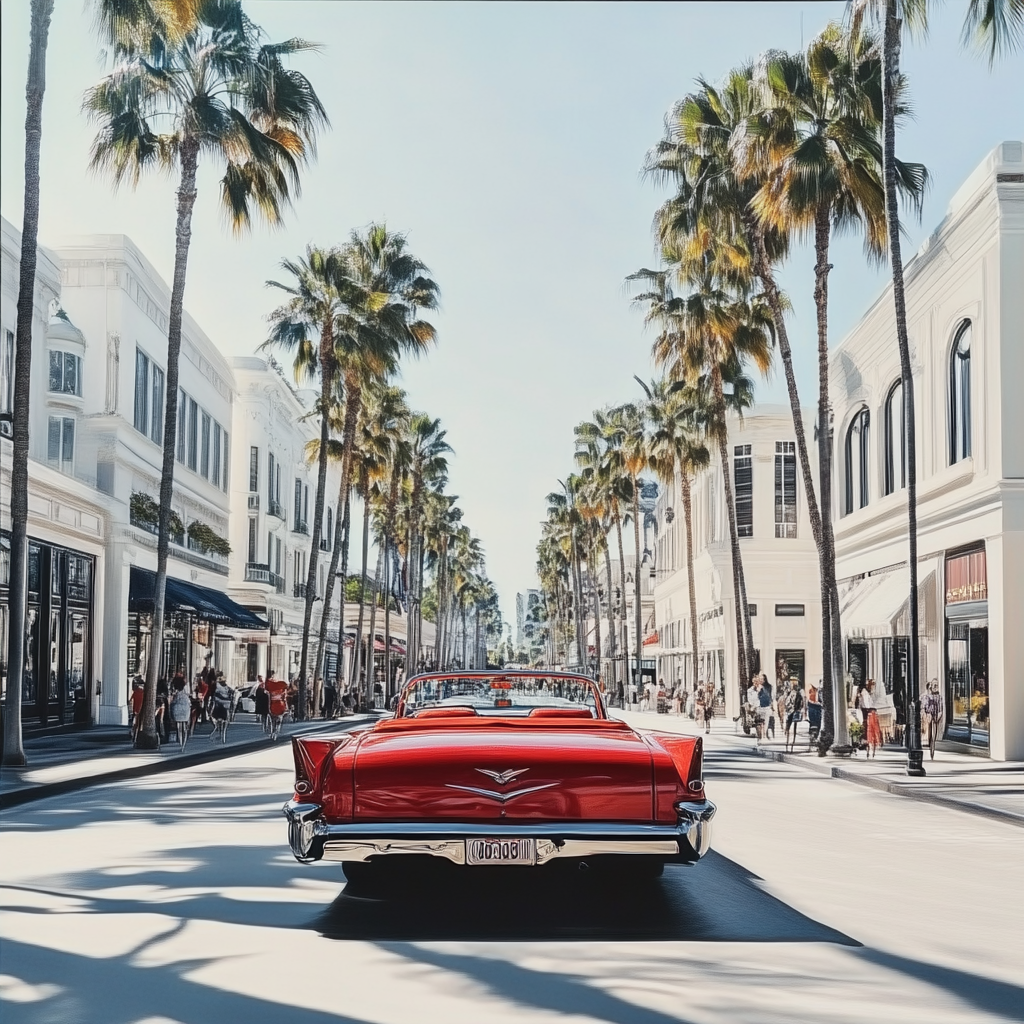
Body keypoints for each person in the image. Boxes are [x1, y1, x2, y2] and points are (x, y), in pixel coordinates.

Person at [856, 678, 882, 757]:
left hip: (868, 712)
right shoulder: (865, 693)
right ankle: (868, 745)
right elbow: (867, 704)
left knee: (870, 729)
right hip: (868, 712)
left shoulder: (867, 693)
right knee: (869, 729)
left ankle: (869, 746)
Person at [921, 680, 944, 760]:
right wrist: (925, 715)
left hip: (935, 716)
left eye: (936, 685)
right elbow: (923, 707)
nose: (935, 687)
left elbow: (941, 708)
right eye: (934, 685)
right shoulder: (926, 696)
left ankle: (932, 748)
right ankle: (930, 747)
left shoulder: (939, 697)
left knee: (934, 734)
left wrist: (938, 716)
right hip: (928, 716)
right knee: (929, 733)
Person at [169, 675, 192, 752]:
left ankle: (181, 743)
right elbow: (190, 697)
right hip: (185, 707)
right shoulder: (186, 689)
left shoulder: (175, 691)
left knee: (179, 728)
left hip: (177, 708)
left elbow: (172, 700)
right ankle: (183, 744)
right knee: (184, 729)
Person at [265, 671, 289, 740]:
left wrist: (269, 706)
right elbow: (284, 698)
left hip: (274, 704)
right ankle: (276, 731)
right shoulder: (282, 687)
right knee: (278, 719)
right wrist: (286, 706)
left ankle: (273, 732)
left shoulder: (271, 688)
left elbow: (269, 698)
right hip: (279, 704)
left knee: (273, 720)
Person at [210, 674, 234, 743]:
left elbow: (214, 696)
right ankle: (223, 735)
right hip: (226, 706)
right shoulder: (227, 688)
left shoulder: (217, 687)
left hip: (218, 706)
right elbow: (232, 695)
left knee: (218, 721)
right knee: (225, 721)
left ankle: (220, 733)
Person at [784, 678, 805, 752]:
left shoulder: (798, 692)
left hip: (793, 711)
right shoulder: (790, 692)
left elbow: (801, 702)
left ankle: (791, 743)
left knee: (791, 728)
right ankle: (789, 743)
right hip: (791, 711)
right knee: (789, 728)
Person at [806, 679, 823, 749]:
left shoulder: (820, 691)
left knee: (816, 725)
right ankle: (813, 738)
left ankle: (815, 738)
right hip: (814, 708)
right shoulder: (813, 691)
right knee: (814, 724)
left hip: (817, 708)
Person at [129, 677, 145, 742]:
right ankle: (136, 735)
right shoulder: (143, 693)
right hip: (141, 710)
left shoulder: (136, 692)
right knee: (138, 724)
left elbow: (131, 701)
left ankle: (134, 734)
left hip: (135, 710)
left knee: (135, 723)